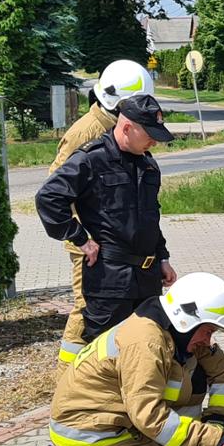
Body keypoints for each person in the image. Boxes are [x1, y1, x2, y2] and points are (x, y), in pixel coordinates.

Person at [29, 273, 224, 446]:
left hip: (123, 422)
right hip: (90, 430)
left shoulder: (179, 333)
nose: (208, 339)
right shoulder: (146, 343)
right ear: (186, 319)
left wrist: (218, 420)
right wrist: (210, 438)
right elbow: (148, 416)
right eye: (208, 331)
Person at [36, 92, 178, 366]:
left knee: (146, 353)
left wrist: (162, 257)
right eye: (149, 134)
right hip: (109, 282)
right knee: (107, 358)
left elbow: (150, 217)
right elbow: (48, 198)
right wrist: (80, 238)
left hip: (146, 280)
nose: (154, 142)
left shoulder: (148, 165)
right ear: (126, 127)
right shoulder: (91, 160)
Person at [49, 61, 156, 360]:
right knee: (89, 310)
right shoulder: (88, 132)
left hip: (117, 244)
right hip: (93, 245)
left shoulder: (117, 128)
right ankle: (70, 377)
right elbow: (55, 189)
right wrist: (81, 236)